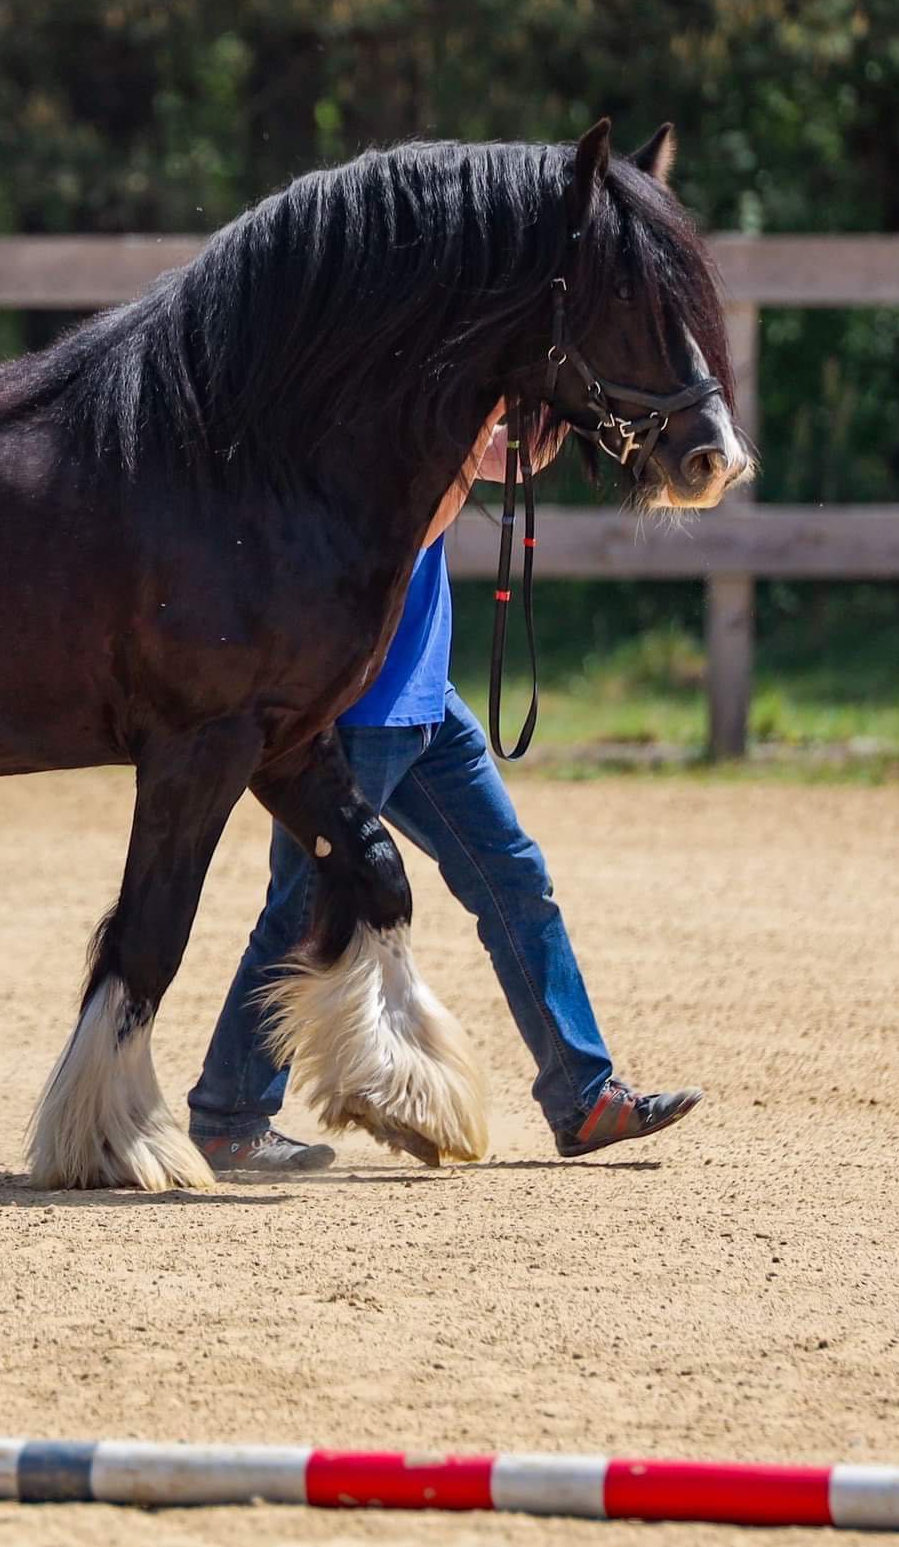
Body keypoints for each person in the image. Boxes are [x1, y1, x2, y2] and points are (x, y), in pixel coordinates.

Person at [187, 414, 703, 1173]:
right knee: (300, 908)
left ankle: (584, 1097)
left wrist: (544, 415)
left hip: (424, 693)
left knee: (514, 878)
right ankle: (228, 1114)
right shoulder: (367, 402)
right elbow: (410, 519)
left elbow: (494, 460)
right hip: (355, 703)